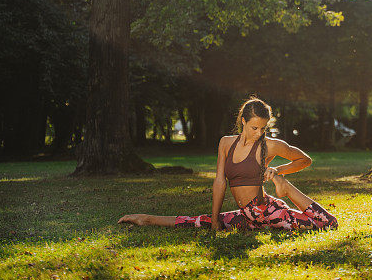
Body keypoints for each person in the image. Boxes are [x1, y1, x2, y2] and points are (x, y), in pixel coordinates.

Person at [118, 97, 338, 232]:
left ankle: (286, 188)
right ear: (243, 120)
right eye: (254, 128)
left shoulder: (269, 146)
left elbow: (304, 160)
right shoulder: (226, 143)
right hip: (248, 217)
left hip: (268, 213)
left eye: (263, 128)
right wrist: (215, 219)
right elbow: (220, 182)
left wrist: (279, 171)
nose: (259, 133)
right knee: (201, 222)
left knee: (327, 224)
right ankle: (146, 219)